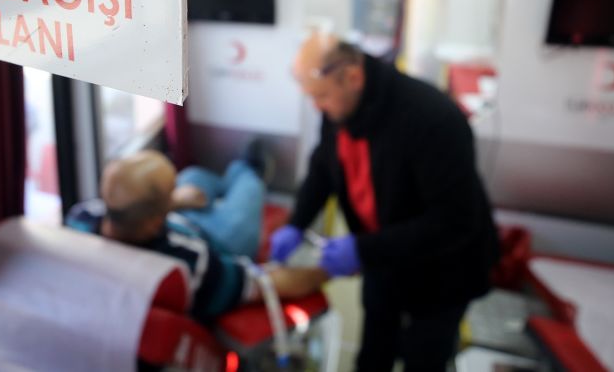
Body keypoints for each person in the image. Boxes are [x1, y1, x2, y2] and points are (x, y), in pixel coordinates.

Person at [270, 32, 499, 371]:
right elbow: (323, 167)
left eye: (320, 96)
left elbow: (455, 221)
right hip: (385, 260)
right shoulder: (340, 108)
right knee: (374, 351)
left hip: (443, 272)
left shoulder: (431, 119)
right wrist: (296, 224)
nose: (316, 106)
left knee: (424, 358)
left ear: (353, 76)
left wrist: (362, 251)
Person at [67, 150, 326, 324]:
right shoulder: (189, 265)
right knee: (248, 186)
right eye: (172, 194)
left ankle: (222, 183)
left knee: (191, 177)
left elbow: (137, 217)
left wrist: (173, 203)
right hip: (221, 240)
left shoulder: (81, 218)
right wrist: (328, 270)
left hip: (178, 222)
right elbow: (266, 284)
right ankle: (247, 169)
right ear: (156, 220)